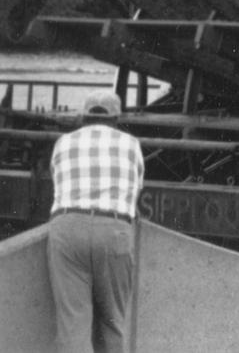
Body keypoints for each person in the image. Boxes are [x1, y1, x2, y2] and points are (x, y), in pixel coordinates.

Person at [47, 87, 144, 353]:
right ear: (116, 118)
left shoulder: (63, 143)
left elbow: (57, 181)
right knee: (112, 324)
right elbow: (135, 189)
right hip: (114, 228)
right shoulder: (131, 144)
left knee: (72, 325)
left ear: (84, 117)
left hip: (68, 226)